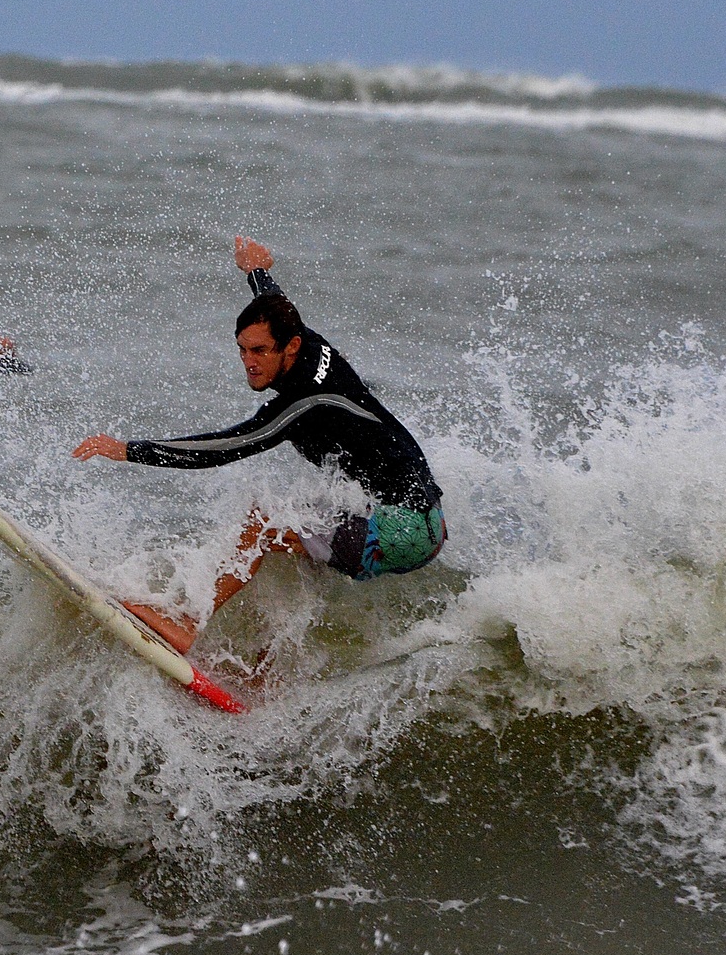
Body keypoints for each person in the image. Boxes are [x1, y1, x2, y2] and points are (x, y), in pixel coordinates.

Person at [72, 236, 446, 654]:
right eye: (242, 350)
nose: (250, 361)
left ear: (291, 347)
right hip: (426, 521)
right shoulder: (308, 341)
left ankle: (187, 626)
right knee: (293, 539)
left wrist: (127, 449)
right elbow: (275, 302)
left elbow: (226, 447)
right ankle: (270, 674)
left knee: (265, 521)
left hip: (401, 531)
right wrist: (255, 270)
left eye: (260, 351)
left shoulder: (303, 403)